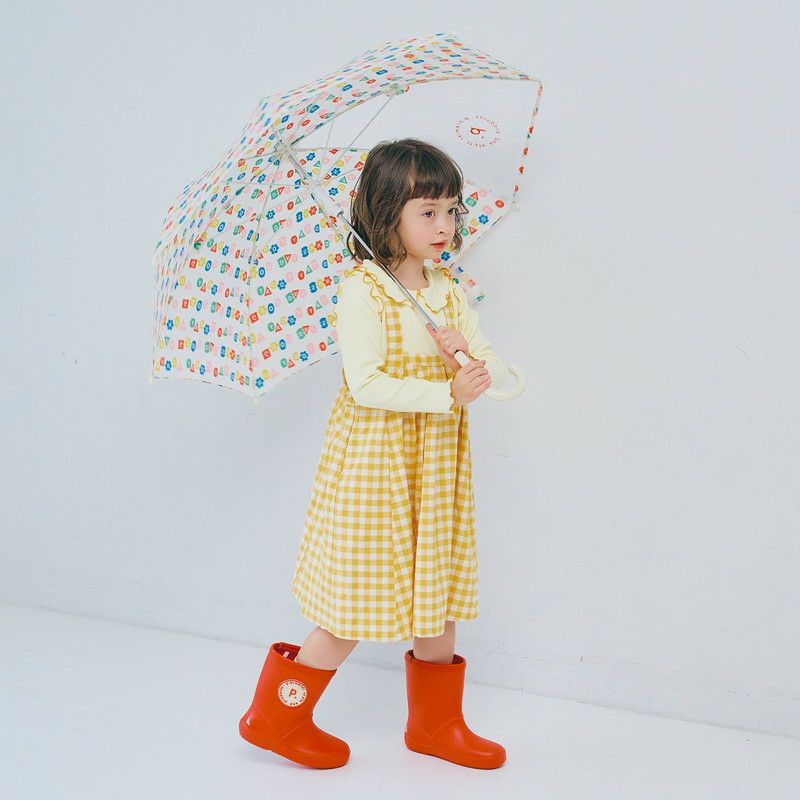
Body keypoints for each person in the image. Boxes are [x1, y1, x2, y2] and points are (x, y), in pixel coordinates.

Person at [239, 138, 508, 770]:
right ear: (387, 213)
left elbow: (490, 363)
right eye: (427, 212)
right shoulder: (364, 290)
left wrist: (472, 362)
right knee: (355, 599)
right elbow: (365, 384)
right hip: (376, 465)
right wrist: (445, 393)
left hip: (434, 467)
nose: (444, 226)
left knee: (437, 594)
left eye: (451, 210)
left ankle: (436, 725)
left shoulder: (445, 290)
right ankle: (276, 718)